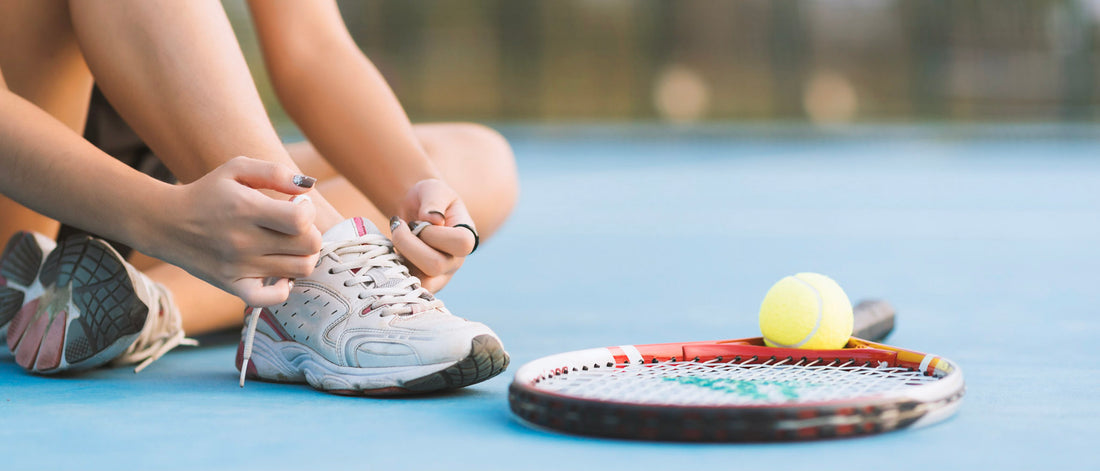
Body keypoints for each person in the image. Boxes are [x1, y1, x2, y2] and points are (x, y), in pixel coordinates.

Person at [0, 0, 516, 395]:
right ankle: (311, 261)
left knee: (477, 160)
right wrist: (159, 220)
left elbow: (310, 47)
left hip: (160, 196)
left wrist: (413, 193)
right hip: (27, 206)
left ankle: (150, 304)